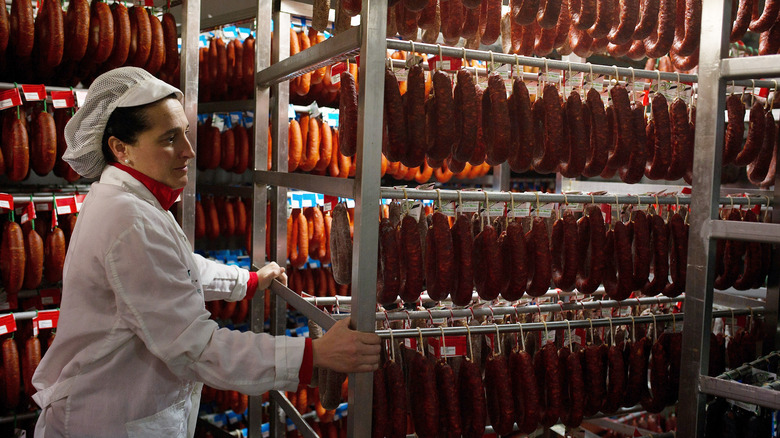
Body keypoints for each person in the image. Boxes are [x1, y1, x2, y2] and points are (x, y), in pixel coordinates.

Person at [31, 67, 380, 437]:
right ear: (121, 148)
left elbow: (176, 268)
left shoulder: (127, 199)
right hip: (107, 420)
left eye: (184, 132)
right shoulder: (128, 218)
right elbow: (195, 347)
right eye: (170, 139)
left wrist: (245, 281)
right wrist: (315, 355)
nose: (189, 150)